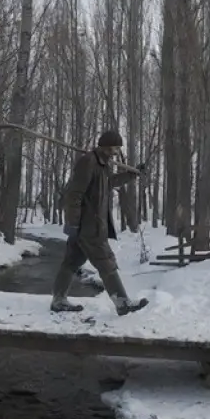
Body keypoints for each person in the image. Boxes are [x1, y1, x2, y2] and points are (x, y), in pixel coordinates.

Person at [51, 129, 150, 316]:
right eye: (115, 148)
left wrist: (132, 174)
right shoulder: (88, 162)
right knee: (106, 263)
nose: (116, 152)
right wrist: (72, 223)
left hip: (91, 225)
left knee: (72, 262)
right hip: (89, 226)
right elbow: (74, 194)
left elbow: (109, 183)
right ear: (106, 146)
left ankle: (58, 300)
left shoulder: (102, 165)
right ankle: (122, 304)